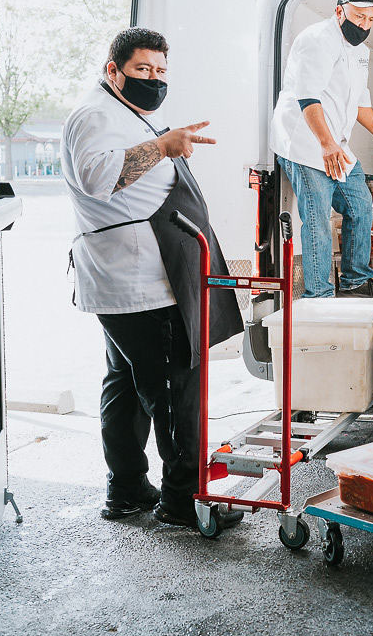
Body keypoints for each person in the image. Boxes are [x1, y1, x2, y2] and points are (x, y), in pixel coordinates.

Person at [62, 27, 244, 529]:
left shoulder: (127, 113)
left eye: (161, 71)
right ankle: (184, 499)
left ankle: (126, 490)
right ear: (112, 70)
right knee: (173, 385)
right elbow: (99, 178)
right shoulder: (95, 115)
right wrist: (163, 148)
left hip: (130, 277)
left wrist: (165, 144)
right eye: (142, 69)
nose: (154, 79)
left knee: (125, 384)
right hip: (139, 278)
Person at [270, 0, 373, 298]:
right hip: (305, 142)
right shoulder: (316, 40)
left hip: (336, 143)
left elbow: (360, 103)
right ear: (339, 11)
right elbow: (307, 97)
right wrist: (326, 144)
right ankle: (319, 296)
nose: (364, 25)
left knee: (361, 206)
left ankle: (355, 282)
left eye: (370, 19)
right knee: (318, 219)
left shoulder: (361, 53)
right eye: (358, 16)